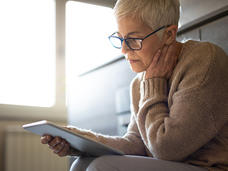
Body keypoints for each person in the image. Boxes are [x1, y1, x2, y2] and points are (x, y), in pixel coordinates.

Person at [41, 0, 228, 171]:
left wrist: (154, 84)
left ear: (169, 34)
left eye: (133, 39)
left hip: (208, 167)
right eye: (120, 38)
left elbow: (167, 149)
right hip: (172, 164)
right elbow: (136, 143)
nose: (124, 50)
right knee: (80, 165)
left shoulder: (204, 61)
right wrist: (79, 141)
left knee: (102, 167)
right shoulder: (140, 81)